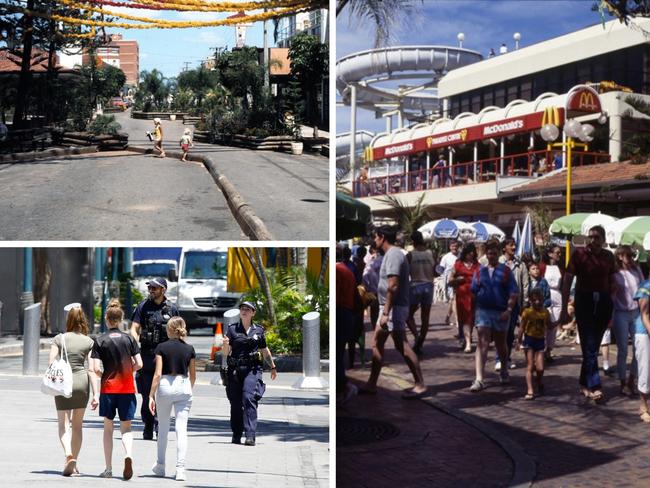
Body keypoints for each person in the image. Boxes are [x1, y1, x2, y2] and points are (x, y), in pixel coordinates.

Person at [361, 225, 426, 398]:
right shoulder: (391, 254)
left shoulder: (394, 255)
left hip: (393, 309)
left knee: (401, 345)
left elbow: (393, 285)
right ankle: (372, 383)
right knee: (377, 343)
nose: (374, 241)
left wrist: (386, 312)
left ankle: (419, 384)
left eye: (376, 237)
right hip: (389, 307)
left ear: (382, 237)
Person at [560, 225, 616, 403]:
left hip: (603, 302)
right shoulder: (579, 254)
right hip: (584, 301)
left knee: (592, 345)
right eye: (590, 237)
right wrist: (564, 308)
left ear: (603, 239)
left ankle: (584, 383)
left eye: (596, 237)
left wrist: (612, 302)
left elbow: (613, 280)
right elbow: (567, 280)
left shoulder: (608, 256)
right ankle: (595, 385)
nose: (592, 240)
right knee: (589, 344)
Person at [92, 299, 143, 480]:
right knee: (126, 428)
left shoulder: (100, 340)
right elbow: (140, 364)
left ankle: (108, 468)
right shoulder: (129, 339)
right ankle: (128, 454)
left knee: (108, 428)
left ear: (106, 319)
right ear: (121, 320)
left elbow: (97, 369)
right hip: (127, 388)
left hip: (108, 388)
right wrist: (129, 370)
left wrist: (105, 373)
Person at [49, 306, 98, 476]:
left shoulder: (59, 339)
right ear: (82, 319)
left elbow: (51, 363)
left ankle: (68, 454)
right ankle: (74, 463)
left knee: (63, 424)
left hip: (63, 383)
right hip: (81, 383)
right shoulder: (89, 341)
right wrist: (96, 394)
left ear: (68, 319)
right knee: (77, 426)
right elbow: (92, 369)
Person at [130, 277, 179, 440]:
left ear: (163, 290)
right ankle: (148, 425)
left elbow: (180, 332)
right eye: (150, 287)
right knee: (146, 394)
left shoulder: (172, 308)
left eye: (154, 288)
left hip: (165, 357)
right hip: (147, 355)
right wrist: (134, 349)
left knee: (163, 394)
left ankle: (159, 425)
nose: (151, 290)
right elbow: (134, 329)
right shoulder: (143, 306)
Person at [222, 301, 277, 446]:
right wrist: (226, 345)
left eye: (247, 309)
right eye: (242, 309)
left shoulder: (258, 330)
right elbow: (226, 353)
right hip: (235, 370)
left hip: (252, 370)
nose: (244, 311)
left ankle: (250, 435)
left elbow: (264, 350)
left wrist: (272, 366)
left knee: (248, 398)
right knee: (235, 403)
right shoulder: (232, 330)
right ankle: (236, 433)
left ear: (253, 313)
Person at [148, 317, 196, 481]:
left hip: (165, 386)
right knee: (181, 429)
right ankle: (180, 468)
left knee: (162, 428)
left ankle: (160, 466)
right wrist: (188, 389)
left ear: (169, 330)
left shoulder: (161, 347)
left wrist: (150, 395)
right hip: (183, 385)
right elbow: (193, 376)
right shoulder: (189, 349)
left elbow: (157, 374)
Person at [469, 240, 519, 392]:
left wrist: (508, 310)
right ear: (486, 254)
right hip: (483, 311)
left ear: (498, 254)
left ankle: (504, 369)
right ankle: (479, 378)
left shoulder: (505, 271)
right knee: (482, 343)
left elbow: (513, 292)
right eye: (489, 253)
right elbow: (473, 291)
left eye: (494, 253)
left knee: (500, 344)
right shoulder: (479, 271)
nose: (492, 256)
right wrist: (474, 312)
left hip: (500, 312)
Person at [612, 245, 645, 395]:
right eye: (628, 256)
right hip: (621, 314)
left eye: (632, 255)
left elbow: (644, 289)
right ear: (620, 256)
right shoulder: (614, 274)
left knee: (639, 348)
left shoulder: (637, 270)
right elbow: (612, 295)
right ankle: (622, 382)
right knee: (623, 349)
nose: (631, 258)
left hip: (637, 313)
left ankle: (632, 379)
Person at [496, 237, 529, 371]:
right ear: (504, 248)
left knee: (510, 333)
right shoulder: (498, 262)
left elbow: (526, 284)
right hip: (499, 302)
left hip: (515, 303)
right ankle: (499, 358)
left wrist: (525, 302)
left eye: (514, 245)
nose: (514, 247)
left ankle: (506, 358)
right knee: (499, 331)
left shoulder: (520, 264)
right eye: (511, 245)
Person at [406, 230, 436, 355]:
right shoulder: (431, 253)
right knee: (425, 318)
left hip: (415, 286)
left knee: (408, 315)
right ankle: (420, 342)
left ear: (413, 242)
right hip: (429, 286)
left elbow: (405, 273)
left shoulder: (410, 255)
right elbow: (435, 270)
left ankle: (417, 336)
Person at [517, 288, 550, 400]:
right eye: (534, 300)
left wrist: (561, 320)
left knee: (540, 368)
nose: (537, 302)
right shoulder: (527, 312)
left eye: (539, 299)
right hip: (529, 340)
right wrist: (519, 341)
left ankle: (539, 380)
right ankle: (530, 390)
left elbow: (550, 325)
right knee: (530, 366)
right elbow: (521, 327)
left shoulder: (545, 312)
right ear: (530, 300)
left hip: (540, 341)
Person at [448, 242, 480, 353]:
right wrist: (458, 280)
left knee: (471, 319)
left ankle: (468, 339)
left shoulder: (477, 265)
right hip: (462, 295)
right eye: (469, 253)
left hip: (474, 295)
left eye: (472, 253)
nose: (470, 255)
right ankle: (467, 342)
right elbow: (450, 280)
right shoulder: (458, 264)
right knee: (464, 319)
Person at [337, 246, 359, 405]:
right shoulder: (348, 270)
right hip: (348, 314)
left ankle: (344, 386)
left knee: (338, 354)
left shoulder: (338, 271)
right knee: (339, 353)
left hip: (340, 313)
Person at [540, 245, 564, 362]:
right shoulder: (543, 267)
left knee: (554, 325)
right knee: (545, 323)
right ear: (550, 254)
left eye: (560, 253)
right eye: (557, 253)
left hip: (558, 295)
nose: (559, 255)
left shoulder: (560, 268)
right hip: (546, 295)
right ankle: (542, 350)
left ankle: (549, 350)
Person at [634, 276, 650, 422]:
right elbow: (644, 313)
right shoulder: (646, 285)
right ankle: (643, 406)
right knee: (645, 369)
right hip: (645, 333)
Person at [440, 240, 461, 334]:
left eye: (456, 246)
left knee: (454, 300)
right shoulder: (446, 257)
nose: (454, 248)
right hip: (449, 282)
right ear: (450, 247)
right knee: (454, 299)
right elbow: (440, 269)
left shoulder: (461, 255)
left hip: (459, 281)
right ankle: (457, 320)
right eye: (452, 246)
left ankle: (448, 317)